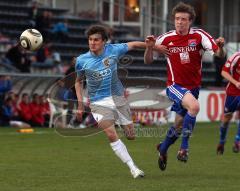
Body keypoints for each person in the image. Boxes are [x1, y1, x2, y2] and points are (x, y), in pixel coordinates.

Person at [144, 2, 225, 171]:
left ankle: (163, 148)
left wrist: (221, 47)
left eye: (183, 19)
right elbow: (148, 60)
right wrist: (150, 48)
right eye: (177, 19)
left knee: (179, 125)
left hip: (193, 88)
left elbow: (218, 54)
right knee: (194, 107)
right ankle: (184, 148)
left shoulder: (199, 36)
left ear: (190, 21)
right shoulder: (166, 38)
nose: (179, 22)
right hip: (174, 86)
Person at [75, 25, 146, 178]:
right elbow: (77, 82)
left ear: (104, 42)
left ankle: (119, 122)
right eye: (90, 40)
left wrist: (153, 46)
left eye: (96, 40)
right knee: (110, 134)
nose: (92, 43)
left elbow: (134, 44)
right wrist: (80, 105)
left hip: (118, 98)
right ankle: (133, 167)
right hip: (97, 102)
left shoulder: (114, 50)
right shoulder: (81, 60)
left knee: (131, 135)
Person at [216, 51, 240, 154]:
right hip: (233, 93)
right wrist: (236, 83)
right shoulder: (236, 56)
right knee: (226, 119)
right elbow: (223, 72)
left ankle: (237, 141)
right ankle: (222, 141)